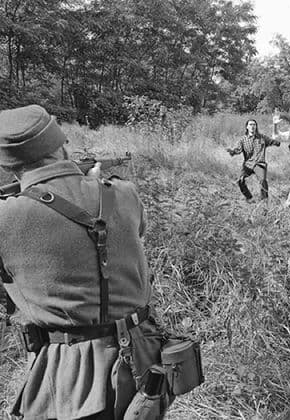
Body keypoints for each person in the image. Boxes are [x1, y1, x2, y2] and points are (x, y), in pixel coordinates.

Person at [0, 105, 169, 419]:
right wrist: (92, 185)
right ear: (62, 145)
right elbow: (135, 232)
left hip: (67, 376)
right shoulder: (124, 193)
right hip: (144, 360)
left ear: (9, 165)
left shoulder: (5, 216)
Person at [227, 119, 280, 202]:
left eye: (254, 124)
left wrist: (276, 139)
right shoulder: (243, 140)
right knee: (240, 181)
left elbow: (274, 141)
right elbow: (237, 150)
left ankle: (264, 201)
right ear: (247, 127)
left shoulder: (262, 138)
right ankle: (249, 198)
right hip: (248, 164)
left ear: (256, 126)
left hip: (260, 164)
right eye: (250, 124)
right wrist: (232, 151)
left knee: (263, 181)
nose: (252, 126)